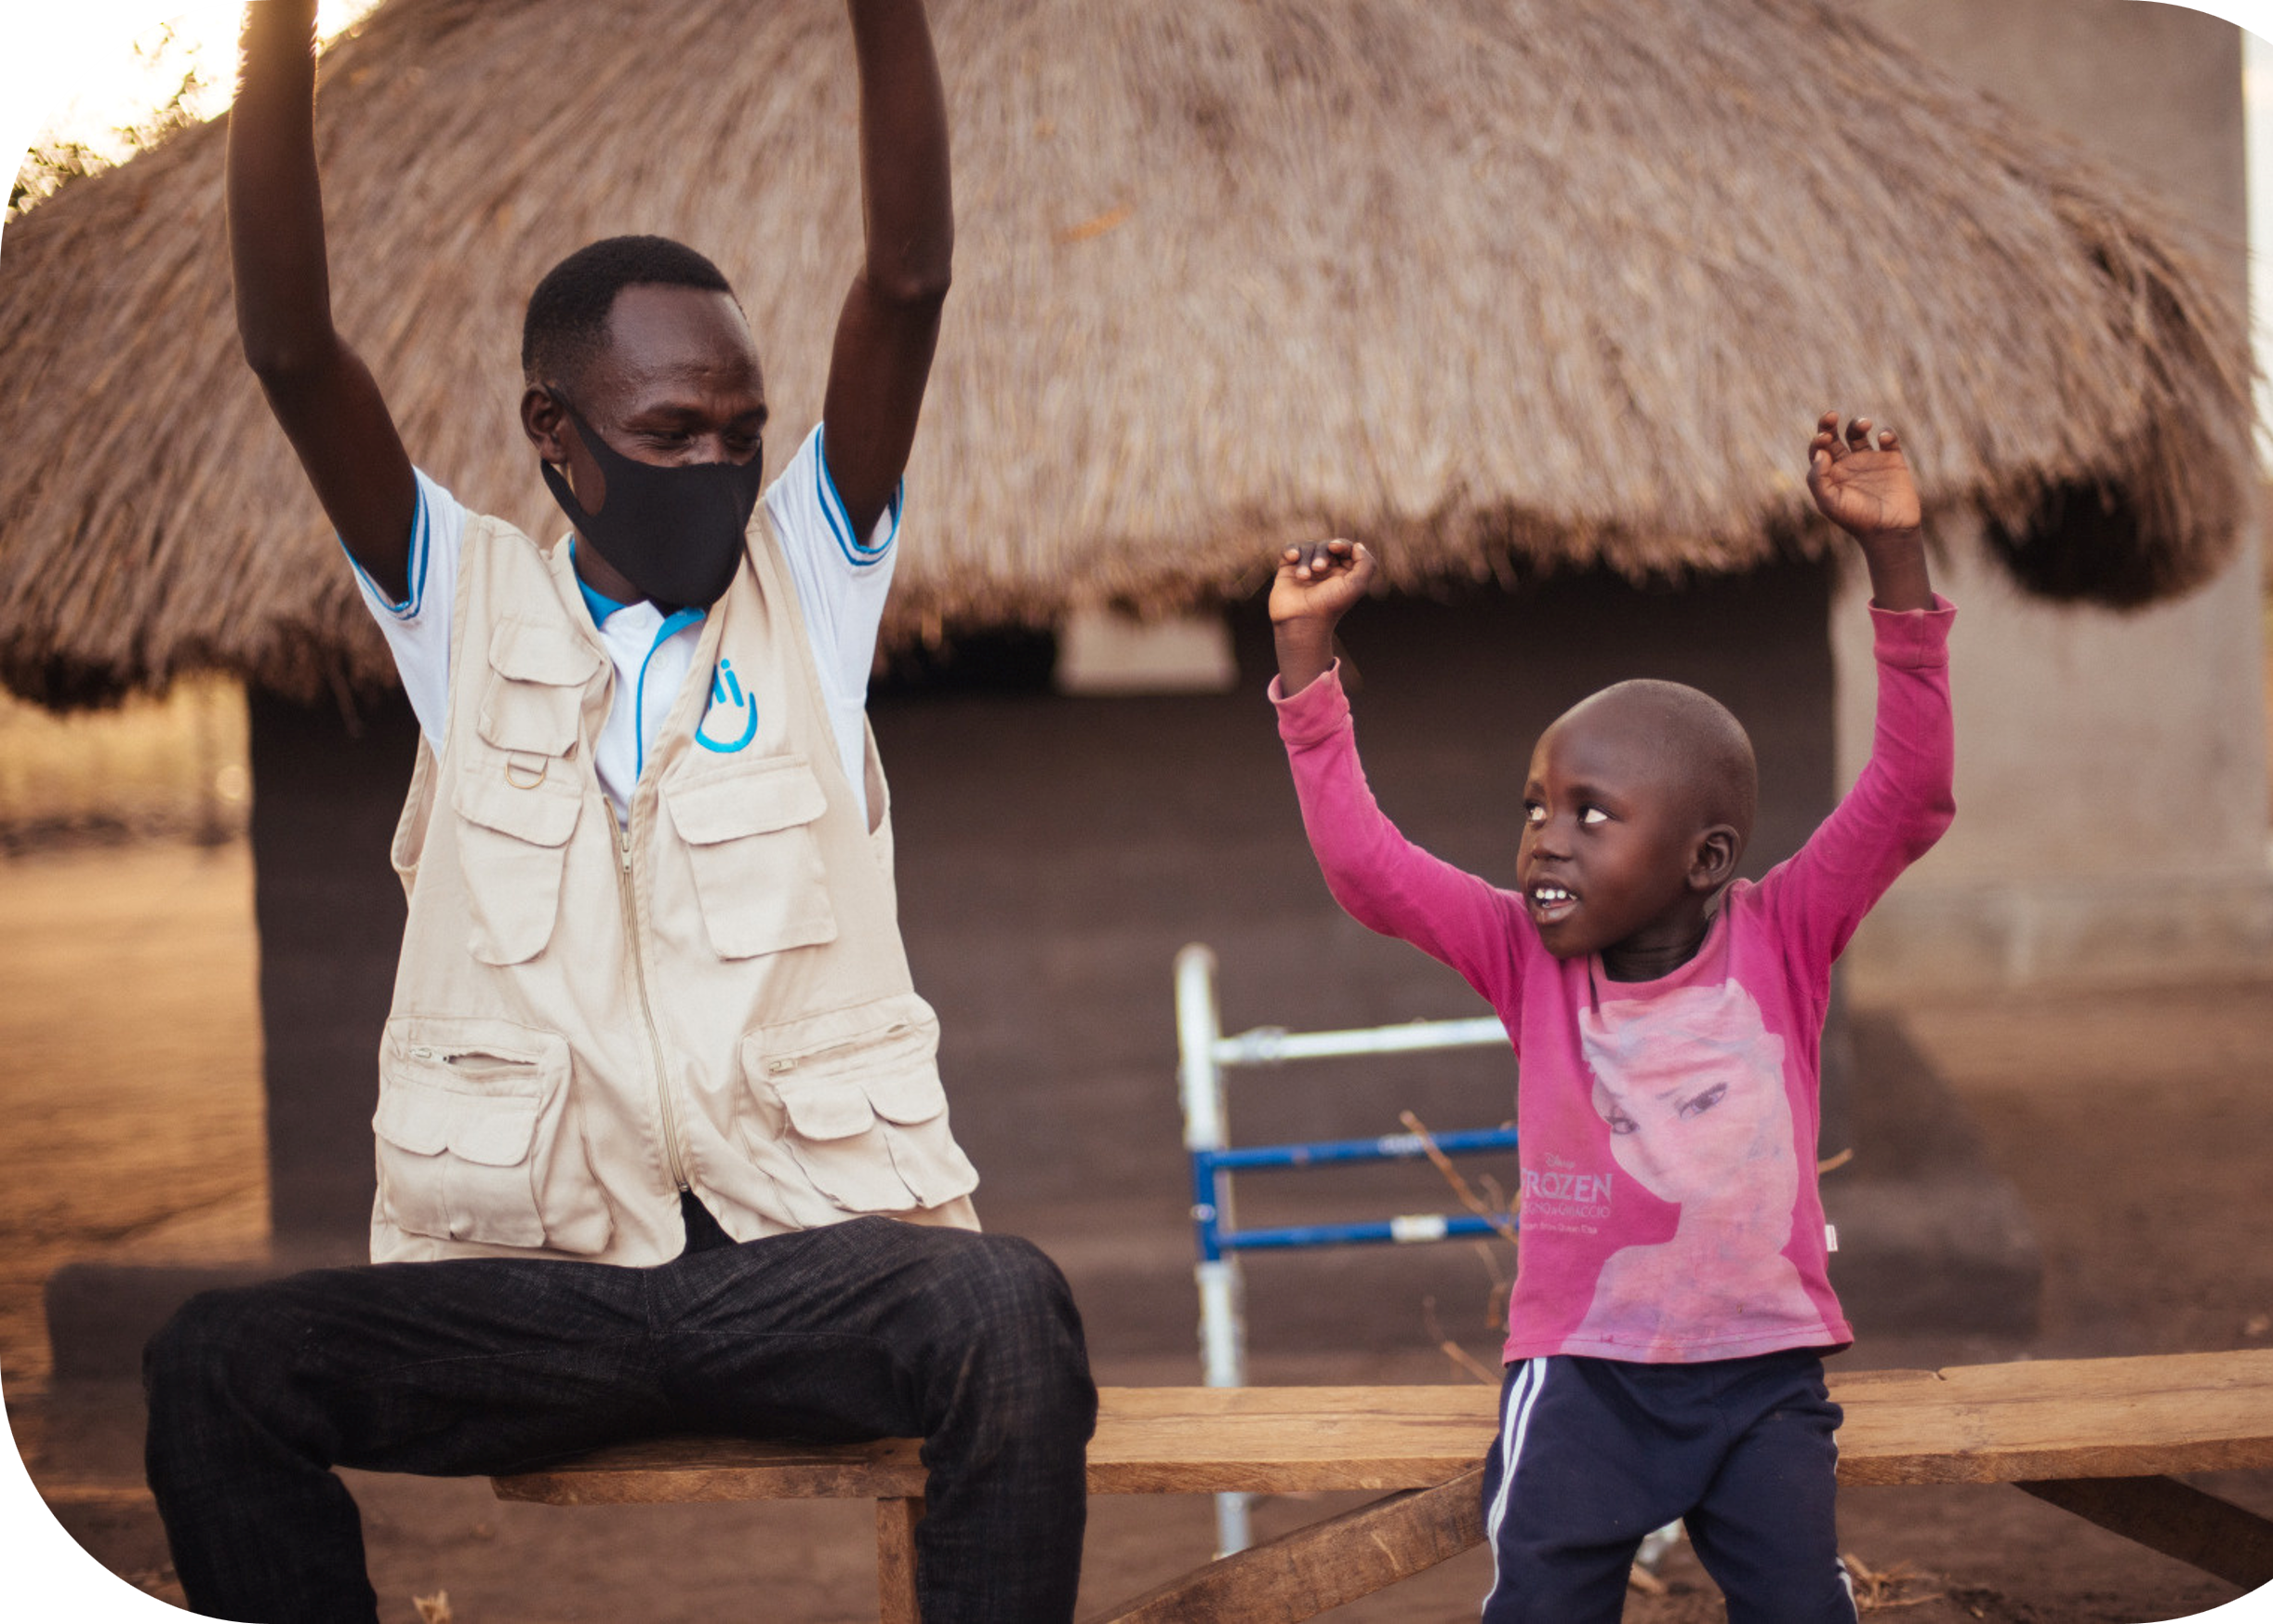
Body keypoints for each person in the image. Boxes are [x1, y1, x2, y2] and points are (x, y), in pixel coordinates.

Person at [140, 4, 1096, 1620]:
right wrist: (278, 31)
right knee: (212, 1363)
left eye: (740, 432)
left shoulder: (811, 583)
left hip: (796, 1274)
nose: (714, 467)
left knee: (1005, 1306)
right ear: (555, 439)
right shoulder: (465, 610)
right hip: (537, 1299)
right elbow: (294, 349)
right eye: (667, 435)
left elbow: (909, 285)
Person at [1265, 411, 1955, 1621]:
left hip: (1764, 1379)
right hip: (1584, 1378)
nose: (1544, 833)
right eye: (1536, 804)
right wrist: (1306, 666)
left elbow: (1907, 793)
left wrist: (1894, 561)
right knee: (1541, 1602)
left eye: (1592, 813)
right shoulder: (1521, 957)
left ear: (1704, 858)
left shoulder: (1782, 933)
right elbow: (1366, 866)